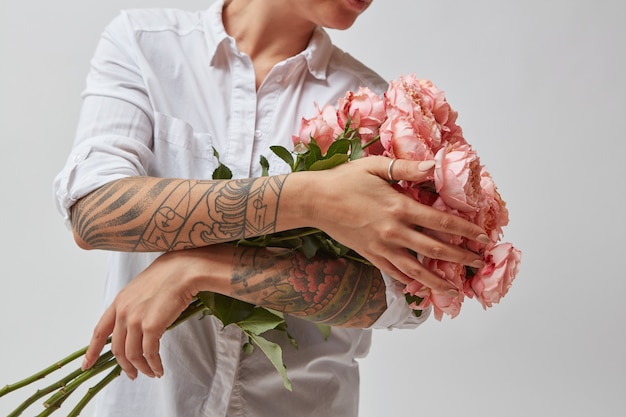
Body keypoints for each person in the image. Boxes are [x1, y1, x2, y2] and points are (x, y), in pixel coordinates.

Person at [53, 0, 488, 415]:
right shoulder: (145, 45)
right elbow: (94, 212)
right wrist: (314, 198)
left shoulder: (377, 110)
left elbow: (400, 296)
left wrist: (196, 267)